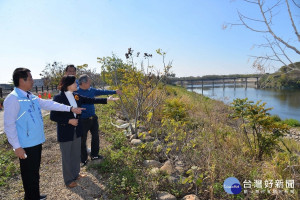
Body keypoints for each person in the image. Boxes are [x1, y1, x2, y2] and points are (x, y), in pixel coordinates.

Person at [3, 68, 84, 200]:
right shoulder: (13, 99)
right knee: (29, 173)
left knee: (34, 172)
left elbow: (49, 104)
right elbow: (9, 125)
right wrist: (16, 146)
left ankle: (34, 195)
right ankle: (31, 197)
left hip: (36, 141)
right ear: (21, 80)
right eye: (30, 78)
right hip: (25, 144)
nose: (32, 81)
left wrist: (69, 108)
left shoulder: (30, 96)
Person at [50, 75, 118, 188]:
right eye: (74, 83)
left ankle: (76, 174)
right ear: (68, 85)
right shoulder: (58, 98)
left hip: (77, 129)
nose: (77, 85)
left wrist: (107, 99)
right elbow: (53, 116)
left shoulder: (76, 96)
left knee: (76, 153)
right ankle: (68, 180)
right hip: (65, 131)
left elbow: (90, 100)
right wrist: (68, 121)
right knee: (67, 156)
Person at [77, 74, 122, 166]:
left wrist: (114, 91)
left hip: (93, 117)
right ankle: (83, 159)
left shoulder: (91, 90)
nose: (90, 83)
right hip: (82, 119)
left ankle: (94, 155)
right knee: (82, 139)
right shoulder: (76, 92)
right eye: (89, 81)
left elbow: (103, 91)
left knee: (95, 136)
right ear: (83, 83)